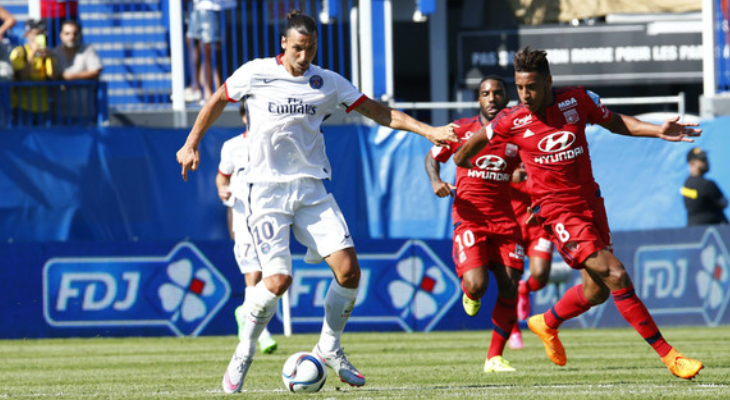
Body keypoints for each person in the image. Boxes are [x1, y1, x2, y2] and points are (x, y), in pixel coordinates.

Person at [176, 10, 457, 394]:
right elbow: (216, 100)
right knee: (278, 281)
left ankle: (330, 346)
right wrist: (191, 143)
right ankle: (244, 350)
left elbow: (378, 111)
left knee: (349, 272)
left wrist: (431, 131)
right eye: (297, 48)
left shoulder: (327, 82)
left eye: (310, 49)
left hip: (311, 190)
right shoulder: (255, 72)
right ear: (283, 44)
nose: (303, 57)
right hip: (267, 191)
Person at [454, 47, 704, 380]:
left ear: (548, 81)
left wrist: (657, 129)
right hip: (557, 213)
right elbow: (462, 155)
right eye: (519, 88)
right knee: (616, 274)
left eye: (531, 87)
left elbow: (614, 122)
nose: (524, 95)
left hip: (590, 204)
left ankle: (546, 322)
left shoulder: (577, 99)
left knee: (596, 291)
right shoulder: (510, 120)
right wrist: (472, 167)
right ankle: (670, 356)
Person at [425, 76, 523, 373]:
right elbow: (432, 158)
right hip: (470, 219)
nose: (491, 98)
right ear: (478, 99)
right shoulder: (462, 130)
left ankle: (494, 357)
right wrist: (436, 181)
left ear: (507, 97)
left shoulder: (518, 133)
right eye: (485, 93)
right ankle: (470, 292)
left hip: (505, 220)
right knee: (478, 285)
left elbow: (531, 169)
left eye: (497, 93)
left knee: (510, 286)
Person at [216, 102, 278, 354]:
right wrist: (222, 188)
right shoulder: (231, 147)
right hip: (243, 216)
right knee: (252, 273)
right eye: (249, 113)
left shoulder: (275, 142)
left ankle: (246, 312)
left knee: (269, 275)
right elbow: (222, 176)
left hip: (272, 216)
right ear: (243, 116)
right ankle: (261, 332)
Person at [507, 162, 554, 349]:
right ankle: (514, 332)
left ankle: (525, 289)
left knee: (541, 275)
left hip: (538, 228)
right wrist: (510, 176)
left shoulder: (538, 145)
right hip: (511, 228)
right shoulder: (503, 149)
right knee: (508, 283)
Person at [185, 0, 236, 104]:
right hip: (198, 7)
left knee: (208, 50)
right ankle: (196, 88)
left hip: (212, 8)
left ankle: (209, 93)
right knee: (192, 41)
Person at [9, 19, 57, 125]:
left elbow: (53, 77)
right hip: (22, 106)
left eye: (42, 33)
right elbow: (23, 77)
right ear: (28, 34)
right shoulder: (19, 52)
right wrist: (32, 54)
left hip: (43, 107)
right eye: (36, 34)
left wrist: (52, 58)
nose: (40, 37)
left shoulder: (46, 53)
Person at [681, 147, 729, 226]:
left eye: (706, 158)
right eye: (702, 159)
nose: (707, 162)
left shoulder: (686, 184)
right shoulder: (707, 184)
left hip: (693, 231)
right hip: (715, 232)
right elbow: (724, 203)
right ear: (691, 163)